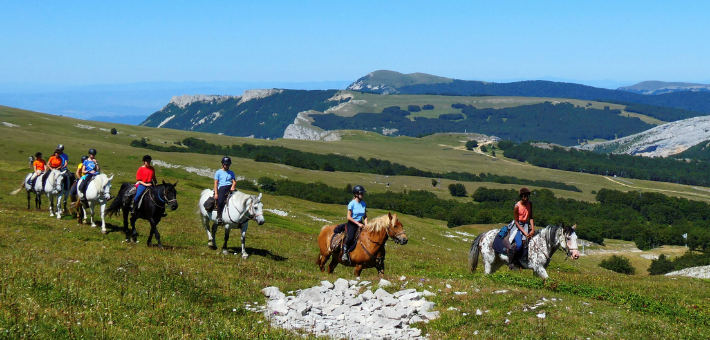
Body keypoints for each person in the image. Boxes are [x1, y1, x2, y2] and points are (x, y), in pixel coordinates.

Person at [508, 187, 535, 269]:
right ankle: (512, 263)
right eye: (524, 196)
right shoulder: (517, 206)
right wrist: (525, 232)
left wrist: (533, 229)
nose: (526, 198)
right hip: (518, 226)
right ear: (521, 197)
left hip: (526, 224)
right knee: (519, 245)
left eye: (527, 196)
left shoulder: (530, 204)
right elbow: (516, 221)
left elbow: (531, 217)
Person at [342, 185, 368, 262]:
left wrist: (366, 224)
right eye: (361, 193)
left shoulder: (363, 204)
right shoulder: (352, 204)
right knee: (350, 237)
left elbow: (365, 216)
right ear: (356, 194)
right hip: (352, 223)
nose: (363, 195)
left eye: (363, 193)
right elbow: (348, 217)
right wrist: (358, 224)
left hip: (361, 223)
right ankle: (345, 252)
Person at [213, 157, 236, 224]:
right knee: (220, 201)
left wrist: (233, 186)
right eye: (226, 164)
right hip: (222, 187)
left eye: (228, 164)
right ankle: (219, 217)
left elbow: (234, 181)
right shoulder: (218, 172)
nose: (227, 166)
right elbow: (216, 183)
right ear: (223, 164)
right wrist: (216, 193)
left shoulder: (231, 173)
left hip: (230, 187)